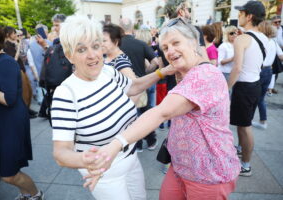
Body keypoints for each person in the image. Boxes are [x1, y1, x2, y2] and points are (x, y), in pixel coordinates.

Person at [86, 17, 240, 200]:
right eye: (165, 47)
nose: (170, 51)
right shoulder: (186, 73)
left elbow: (161, 112)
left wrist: (114, 146)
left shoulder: (204, 75)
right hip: (180, 167)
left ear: (193, 43)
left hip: (208, 173)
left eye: (176, 43)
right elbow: (135, 87)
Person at [51, 15, 175, 200]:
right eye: (81, 49)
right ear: (70, 56)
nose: (92, 55)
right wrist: (85, 160)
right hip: (104, 172)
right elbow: (61, 152)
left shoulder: (107, 71)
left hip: (131, 157)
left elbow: (133, 87)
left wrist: (161, 72)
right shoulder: (66, 94)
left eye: (95, 46)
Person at [0, 17, 44, 200]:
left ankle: (35, 194)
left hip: (9, 122)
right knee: (4, 169)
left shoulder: (6, 62)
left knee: (8, 174)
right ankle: (26, 193)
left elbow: (9, 98)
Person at [229, 1, 268, 176]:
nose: (239, 16)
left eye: (241, 13)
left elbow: (237, 68)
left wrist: (225, 88)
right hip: (255, 84)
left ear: (249, 16)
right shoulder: (264, 38)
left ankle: (246, 165)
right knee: (242, 124)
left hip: (244, 86)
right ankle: (241, 150)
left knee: (245, 127)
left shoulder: (242, 39)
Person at [119, 18, 159, 152]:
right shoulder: (140, 44)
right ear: (132, 29)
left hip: (122, 86)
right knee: (144, 115)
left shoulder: (116, 45)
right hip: (141, 84)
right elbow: (155, 61)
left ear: (120, 28)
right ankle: (151, 141)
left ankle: (137, 145)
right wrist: (147, 72)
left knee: (129, 117)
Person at [252, 20, 283, 130]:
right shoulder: (273, 42)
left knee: (252, 97)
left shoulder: (259, 41)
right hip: (269, 71)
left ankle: (247, 121)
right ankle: (263, 121)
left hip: (259, 70)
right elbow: (281, 56)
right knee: (261, 98)